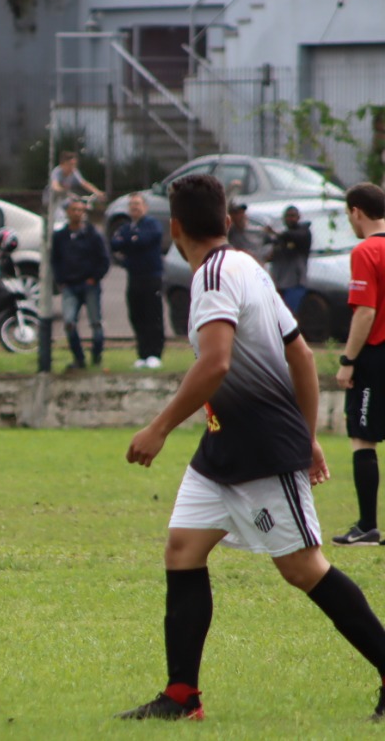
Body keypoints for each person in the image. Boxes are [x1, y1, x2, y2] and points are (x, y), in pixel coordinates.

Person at [119, 173, 385, 722]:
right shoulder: (246, 265)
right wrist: (309, 434)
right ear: (226, 220)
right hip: (223, 450)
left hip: (261, 447)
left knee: (304, 568)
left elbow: (215, 362)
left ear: (174, 228)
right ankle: (181, 696)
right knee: (183, 551)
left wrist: (159, 427)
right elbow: (303, 356)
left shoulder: (214, 279)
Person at [333, 184, 385, 546]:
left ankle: (367, 525)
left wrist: (348, 360)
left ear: (356, 212)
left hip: (375, 355)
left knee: (362, 437)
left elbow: (365, 312)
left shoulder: (367, 250)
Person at [51, 198, 110, 370]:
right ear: (67, 212)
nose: (77, 213)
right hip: (70, 285)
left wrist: (94, 278)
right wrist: (61, 280)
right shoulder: (60, 236)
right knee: (69, 322)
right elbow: (55, 260)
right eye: (73, 209)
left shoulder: (93, 235)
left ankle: (97, 355)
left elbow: (104, 260)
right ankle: (79, 358)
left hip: (89, 284)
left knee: (95, 322)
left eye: (80, 210)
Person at [110, 193, 165, 369]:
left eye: (138, 204)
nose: (135, 208)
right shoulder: (127, 227)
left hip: (151, 277)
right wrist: (130, 241)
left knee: (152, 315)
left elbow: (144, 240)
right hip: (134, 277)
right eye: (132, 205)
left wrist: (130, 242)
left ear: (145, 207)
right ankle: (142, 353)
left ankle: (155, 353)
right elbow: (115, 243)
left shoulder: (152, 224)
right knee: (137, 315)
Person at [269, 204, 312, 315]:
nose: (290, 218)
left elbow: (293, 236)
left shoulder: (303, 234)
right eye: (287, 216)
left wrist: (275, 233)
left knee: (290, 315)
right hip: (280, 283)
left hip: (296, 283)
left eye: (293, 216)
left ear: (298, 217)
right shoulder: (280, 239)